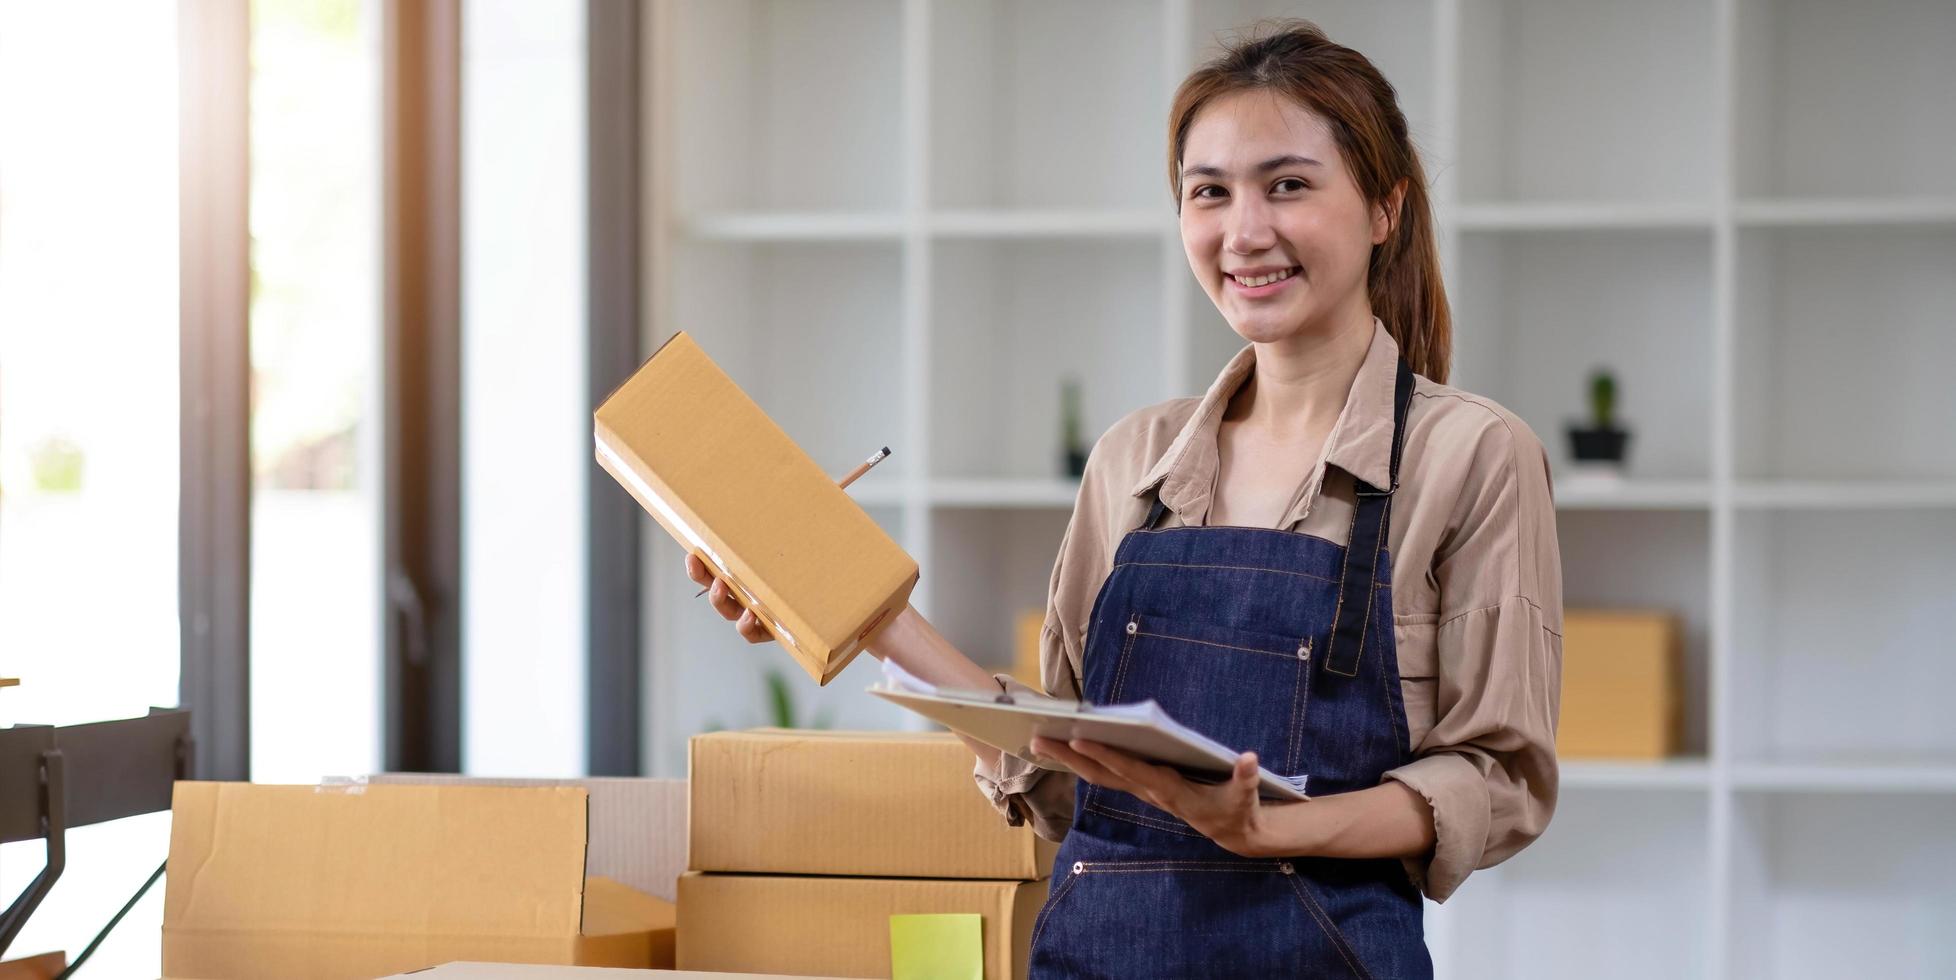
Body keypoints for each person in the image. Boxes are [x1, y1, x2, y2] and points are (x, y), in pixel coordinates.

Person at [687, 19, 1562, 978]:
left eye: (1289, 185)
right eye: (1209, 193)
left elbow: (1496, 779)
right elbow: (1067, 772)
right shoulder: (1132, 461)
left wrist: (1279, 829)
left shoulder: (1469, 455)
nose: (1245, 231)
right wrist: (853, 602)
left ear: (1385, 207)